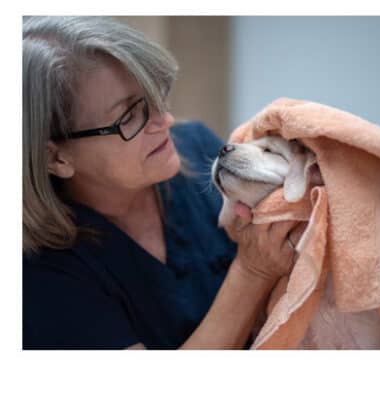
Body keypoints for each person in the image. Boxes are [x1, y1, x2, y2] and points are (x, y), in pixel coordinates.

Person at [22, 16, 297, 349]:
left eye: (155, 95)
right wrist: (252, 272)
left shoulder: (196, 146)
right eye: (130, 117)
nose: (165, 120)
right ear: (56, 158)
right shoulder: (40, 276)